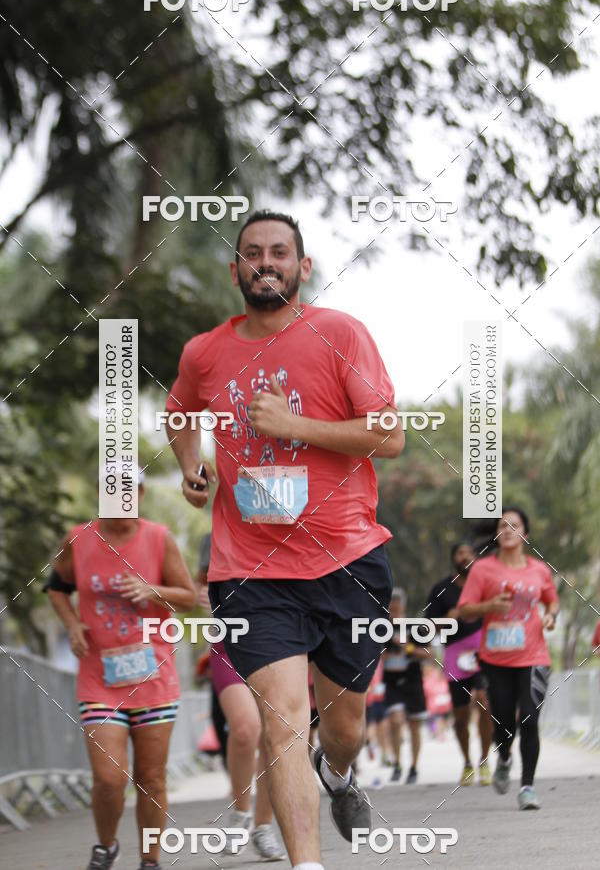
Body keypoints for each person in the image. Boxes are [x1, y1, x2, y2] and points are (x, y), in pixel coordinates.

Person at [166, 210, 404, 870]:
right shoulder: (205, 351)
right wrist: (191, 465)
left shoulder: (340, 335)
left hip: (349, 559)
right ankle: (308, 864)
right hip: (251, 569)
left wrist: (298, 423)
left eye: (279, 252)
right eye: (251, 253)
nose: (264, 261)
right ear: (235, 269)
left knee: (345, 725)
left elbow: (389, 436)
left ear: (303, 268)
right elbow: (180, 416)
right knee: (282, 719)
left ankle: (340, 771)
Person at [46, 467, 196, 870]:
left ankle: (149, 859)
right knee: (110, 779)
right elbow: (56, 589)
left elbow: (189, 597)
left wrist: (154, 590)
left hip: (153, 677)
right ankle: (107, 845)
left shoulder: (159, 538)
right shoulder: (77, 540)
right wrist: (73, 623)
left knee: (152, 779)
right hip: (100, 679)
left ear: (141, 493)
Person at [457, 506, 560, 810]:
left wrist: (551, 616)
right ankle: (503, 756)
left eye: (514, 525)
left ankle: (527, 787)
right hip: (495, 659)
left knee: (529, 719)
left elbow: (551, 601)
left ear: (525, 534)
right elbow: (464, 609)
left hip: (534, 657)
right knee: (503, 722)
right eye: (503, 525)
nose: (508, 530)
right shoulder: (483, 569)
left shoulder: (539, 570)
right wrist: (488, 605)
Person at [196, 533, 285, 861]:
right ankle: (240, 813)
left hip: (278, 641)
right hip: (228, 642)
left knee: (274, 736)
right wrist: (202, 594)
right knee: (245, 728)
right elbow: (198, 581)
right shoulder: (215, 535)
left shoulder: (286, 527)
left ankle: (263, 827)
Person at [425, 542, 493, 785]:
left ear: (476, 557)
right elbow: (427, 627)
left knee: (484, 702)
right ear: (453, 558)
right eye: (459, 554)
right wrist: (447, 618)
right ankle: (467, 762)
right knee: (461, 714)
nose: (464, 557)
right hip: (455, 655)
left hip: (485, 651)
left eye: (468, 553)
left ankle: (485, 760)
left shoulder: (485, 584)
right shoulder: (442, 589)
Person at [383, 588, 429, 784]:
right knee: (395, 721)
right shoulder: (381, 628)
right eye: (390, 609)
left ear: (403, 607)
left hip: (412, 679)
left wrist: (407, 647)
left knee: (414, 724)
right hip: (392, 681)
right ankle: (396, 763)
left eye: (397, 608)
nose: (394, 613)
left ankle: (414, 767)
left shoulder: (414, 627)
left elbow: (428, 654)